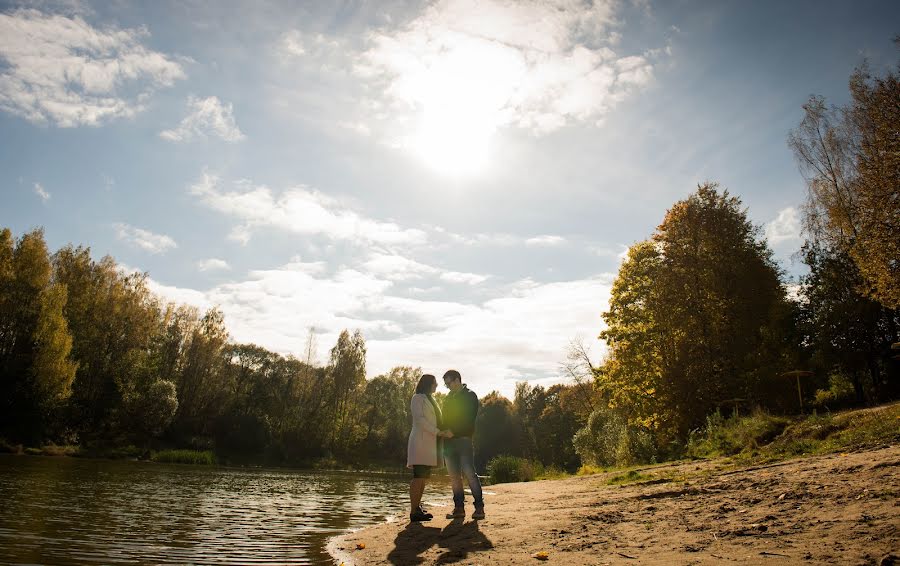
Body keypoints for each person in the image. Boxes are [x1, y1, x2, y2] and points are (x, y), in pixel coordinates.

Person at [407, 374, 452, 522]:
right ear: (427, 384)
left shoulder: (431, 399)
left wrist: (444, 431)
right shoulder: (417, 398)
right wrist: (438, 432)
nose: (437, 385)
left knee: (423, 477)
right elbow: (420, 420)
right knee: (418, 476)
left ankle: (417, 508)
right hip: (420, 442)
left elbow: (437, 420)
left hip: (429, 443)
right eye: (435, 383)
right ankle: (413, 512)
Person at [441, 369, 484, 520]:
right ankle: (459, 509)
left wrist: (454, 431)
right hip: (448, 443)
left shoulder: (470, 396)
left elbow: (469, 419)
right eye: (445, 385)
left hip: (464, 440)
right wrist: (442, 431)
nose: (447, 387)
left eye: (449, 383)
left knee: (470, 474)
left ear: (457, 380)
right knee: (454, 477)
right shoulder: (448, 398)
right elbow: (444, 418)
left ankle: (479, 508)